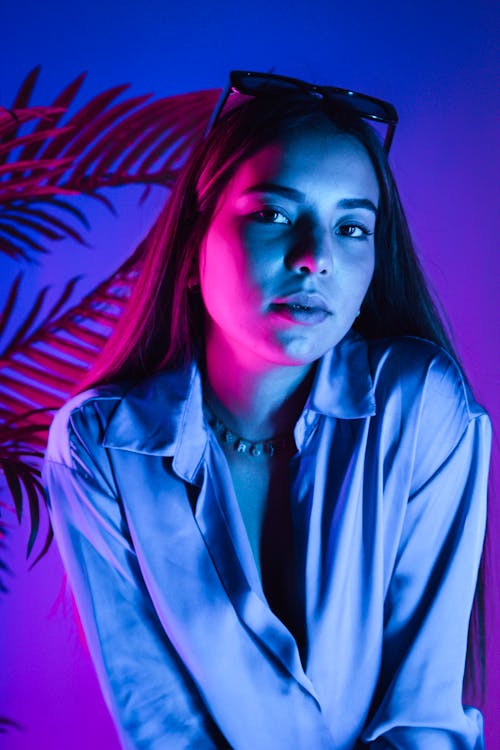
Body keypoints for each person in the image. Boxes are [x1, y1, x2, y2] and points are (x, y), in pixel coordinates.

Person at [43, 71, 491, 749]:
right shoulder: (101, 445)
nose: (315, 259)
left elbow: (423, 716)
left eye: (351, 227)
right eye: (274, 215)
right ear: (196, 242)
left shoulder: (419, 404)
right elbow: (160, 723)